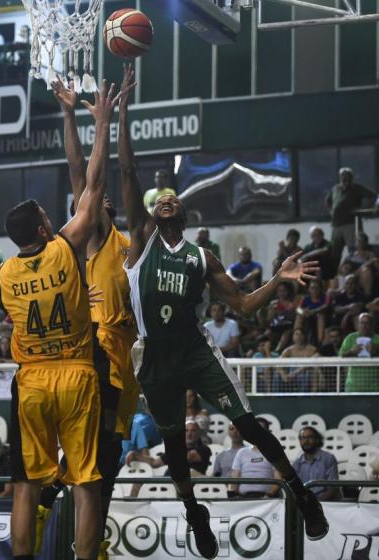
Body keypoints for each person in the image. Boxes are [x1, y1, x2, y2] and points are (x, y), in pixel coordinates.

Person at [117, 63, 328, 557]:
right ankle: (195, 514)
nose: (166, 199)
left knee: (248, 423)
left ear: (184, 213)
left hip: (195, 349)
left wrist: (278, 278)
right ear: (151, 212)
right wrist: (123, 110)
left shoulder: (202, 257)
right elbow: (126, 171)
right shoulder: (141, 244)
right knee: (173, 444)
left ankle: (300, 493)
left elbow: (244, 306)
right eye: (160, 198)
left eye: (173, 198)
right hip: (154, 357)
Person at [0, 80, 122, 560]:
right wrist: (101, 122)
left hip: (31, 379)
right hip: (75, 373)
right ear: (45, 227)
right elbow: (92, 184)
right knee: (86, 482)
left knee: (27, 484)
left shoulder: (3, 273)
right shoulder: (65, 248)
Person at [33, 78, 142, 558]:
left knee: (105, 463)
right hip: (86, 356)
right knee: (93, 460)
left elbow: (124, 174)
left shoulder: (130, 246)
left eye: (104, 202)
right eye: (94, 202)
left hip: (119, 361)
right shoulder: (90, 239)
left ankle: (83, 535)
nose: (99, 202)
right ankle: (58, 520)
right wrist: (69, 114)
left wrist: (119, 115)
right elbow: (79, 169)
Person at [326, 167, 376, 269]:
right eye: (342, 176)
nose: (344, 178)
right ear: (340, 177)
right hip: (336, 225)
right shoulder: (335, 188)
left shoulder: (357, 188)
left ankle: (353, 271)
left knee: (352, 250)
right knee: (334, 251)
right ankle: (334, 273)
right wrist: (332, 211)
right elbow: (328, 201)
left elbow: (373, 196)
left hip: (351, 223)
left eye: (347, 176)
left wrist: (363, 208)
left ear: (351, 177)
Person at [127, 420, 212, 477]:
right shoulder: (175, 450)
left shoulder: (204, 450)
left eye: (193, 430)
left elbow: (186, 457)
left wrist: (174, 441)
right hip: (168, 482)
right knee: (139, 482)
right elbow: (154, 463)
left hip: (191, 486)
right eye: (186, 430)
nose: (189, 434)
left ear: (198, 433)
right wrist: (136, 455)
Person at [229, 418, 282, 499]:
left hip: (267, 499)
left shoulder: (273, 451)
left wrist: (268, 495)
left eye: (260, 430)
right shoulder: (241, 452)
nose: (256, 433)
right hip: (243, 498)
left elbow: (278, 479)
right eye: (253, 429)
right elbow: (234, 479)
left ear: (267, 432)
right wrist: (233, 495)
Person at [293, 427, 339, 501]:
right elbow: (294, 489)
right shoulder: (297, 463)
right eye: (302, 438)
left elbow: (333, 489)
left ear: (317, 440)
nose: (306, 441)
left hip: (325, 503)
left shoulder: (328, 458)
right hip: (304, 503)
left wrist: (316, 503)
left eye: (309, 437)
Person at [340, 312, 379, 392]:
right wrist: (352, 351)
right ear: (358, 324)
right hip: (353, 387)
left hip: (374, 388)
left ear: (372, 324)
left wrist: (376, 349)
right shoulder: (350, 338)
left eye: (367, 323)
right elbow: (341, 355)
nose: (364, 325)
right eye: (362, 323)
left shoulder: (377, 338)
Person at [275, 328, 320, 392]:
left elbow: (314, 363)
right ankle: (274, 395)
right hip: (291, 374)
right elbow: (278, 363)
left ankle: (304, 396)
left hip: (305, 372)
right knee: (277, 374)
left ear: (304, 336)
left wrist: (297, 372)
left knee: (307, 374)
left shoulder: (312, 349)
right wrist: (283, 374)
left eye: (301, 334)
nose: (299, 336)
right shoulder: (288, 350)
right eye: (296, 334)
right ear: (293, 337)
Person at [295, 279, 330, 345]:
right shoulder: (306, 298)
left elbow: (326, 306)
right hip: (308, 316)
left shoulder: (325, 297)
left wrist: (313, 311)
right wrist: (303, 312)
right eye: (312, 288)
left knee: (320, 315)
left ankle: (319, 342)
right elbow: (298, 309)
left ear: (320, 289)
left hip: (322, 317)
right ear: (309, 289)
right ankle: (296, 338)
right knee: (299, 316)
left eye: (316, 288)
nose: (314, 290)